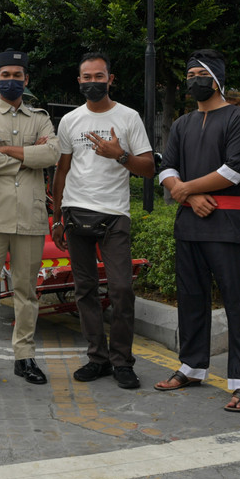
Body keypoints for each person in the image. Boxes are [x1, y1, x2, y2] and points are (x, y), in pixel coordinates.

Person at [154, 50, 240, 412]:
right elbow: (165, 167)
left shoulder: (237, 118)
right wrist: (185, 192)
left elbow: (235, 169)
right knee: (191, 299)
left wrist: (187, 189)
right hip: (189, 223)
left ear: (216, 78)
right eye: (190, 74)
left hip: (228, 224)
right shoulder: (183, 124)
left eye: (201, 73)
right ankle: (192, 366)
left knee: (239, 302)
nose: (194, 80)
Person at [51, 52, 154, 390]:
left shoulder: (129, 117)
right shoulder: (70, 121)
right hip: (75, 213)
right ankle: (98, 358)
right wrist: (56, 217)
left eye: (99, 77)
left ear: (111, 79)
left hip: (114, 217)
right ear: (78, 82)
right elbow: (62, 170)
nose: (92, 82)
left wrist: (118, 154)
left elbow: (148, 167)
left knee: (122, 289)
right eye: (86, 77)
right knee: (85, 290)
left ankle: (122, 361)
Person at [0, 49, 61, 388]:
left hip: (30, 216)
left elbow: (52, 152)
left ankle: (24, 357)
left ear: (26, 79)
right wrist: (26, 156)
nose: (11, 81)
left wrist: (6, 149)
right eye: (5, 75)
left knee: (27, 292)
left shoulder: (40, 116)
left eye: (17, 75)